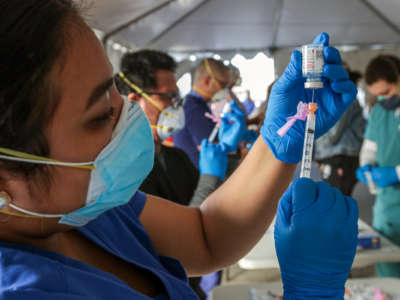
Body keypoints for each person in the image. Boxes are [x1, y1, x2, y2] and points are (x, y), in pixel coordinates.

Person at [0, 1, 358, 298]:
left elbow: (206, 235)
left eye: (114, 91)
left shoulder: (84, 208)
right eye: (100, 116)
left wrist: (277, 142)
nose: (127, 115)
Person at [115, 50, 244, 299]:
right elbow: (183, 246)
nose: (178, 106)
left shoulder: (176, 158)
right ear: (134, 100)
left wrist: (229, 156)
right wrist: (209, 177)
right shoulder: (125, 175)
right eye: (169, 97)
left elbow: (215, 203)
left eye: (178, 97)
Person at [356, 54, 400, 277]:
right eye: (377, 96)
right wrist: (366, 166)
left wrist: (396, 173)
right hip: (387, 206)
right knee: (389, 272)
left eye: (386, 92)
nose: (383, 99)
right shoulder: (379, 112)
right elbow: (370, 149)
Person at [315, 66, 365, 196]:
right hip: (337, 156)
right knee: (335, 198)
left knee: (338, 198)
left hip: (340, 156)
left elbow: (333, 133)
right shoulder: (339, 99)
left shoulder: (343, 100)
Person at [174, 58, 231, 166]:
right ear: (207, 81)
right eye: (223, 85)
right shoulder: (195, 109)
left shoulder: (192, 103)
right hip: (198, 177)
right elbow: (211, 150)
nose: (226, 91)